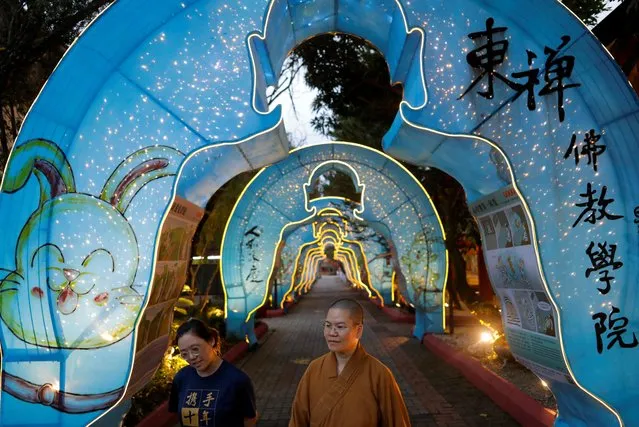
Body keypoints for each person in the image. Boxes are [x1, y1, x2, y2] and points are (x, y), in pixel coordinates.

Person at [289, 298, 410, 426]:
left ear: (358, 330)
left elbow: (396, 422)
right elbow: (298, 420)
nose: (331, 333)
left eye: (340, 327)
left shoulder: (379, 374)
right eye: (328, 325)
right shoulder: (314, 369)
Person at [169, 318, 257, 427]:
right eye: (184, 353)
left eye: (195, 349)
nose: (191, 357)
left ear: (211, 341)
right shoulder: (181, 378)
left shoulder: (237, 380)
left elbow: (250, 419)